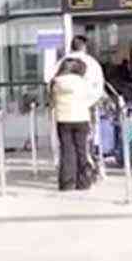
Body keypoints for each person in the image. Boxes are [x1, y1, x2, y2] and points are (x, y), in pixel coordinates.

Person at [48, 57, 94, 191]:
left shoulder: (55, 82)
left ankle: (67, 182)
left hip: (63, 119)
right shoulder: (83, 82)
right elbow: (90, 98)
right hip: (81, 118)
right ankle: (83, 182)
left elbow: (51, 101)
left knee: (66, 150)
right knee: (82, 150)